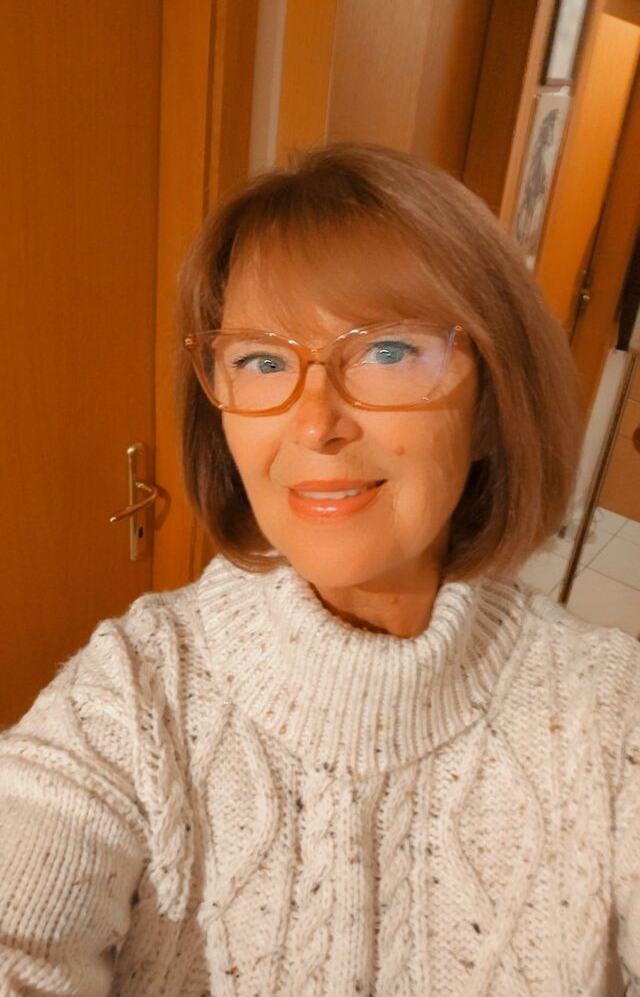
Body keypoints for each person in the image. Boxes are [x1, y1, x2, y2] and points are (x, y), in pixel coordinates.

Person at [1, 141, 639, 996]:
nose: (313, 423)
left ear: (491, 405)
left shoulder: (609, 714)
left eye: (387, 351)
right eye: (262, 361)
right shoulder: (136, 693)